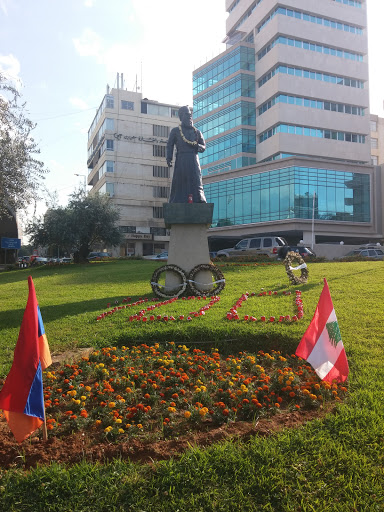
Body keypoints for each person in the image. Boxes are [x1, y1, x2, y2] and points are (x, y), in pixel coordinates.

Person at [166, 105, 207, 203]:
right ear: (181, 117)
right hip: (181, 159)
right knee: (180, 181)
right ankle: (177, 200)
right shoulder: (175, 131)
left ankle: (199, 198)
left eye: (190, 115)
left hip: (193, 159)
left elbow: (203, 146)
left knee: (196, 179)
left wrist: (197, 146)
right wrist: (169, 158)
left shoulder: (197, 132)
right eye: (187, 114)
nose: (189, 117)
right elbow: (170, 145)